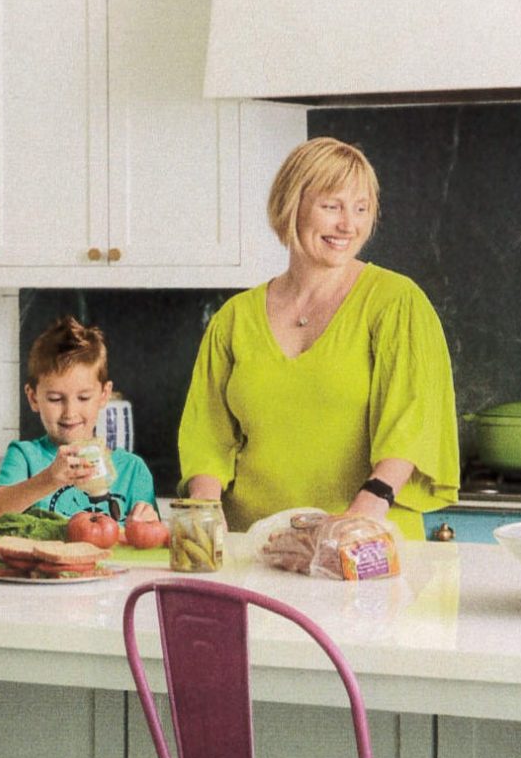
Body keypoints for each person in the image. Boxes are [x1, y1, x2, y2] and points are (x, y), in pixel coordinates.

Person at [177, 138, 459, 537]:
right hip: (255, 543)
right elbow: (207, 434)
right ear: (291, 205)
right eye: (332, 206)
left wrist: (360, 515)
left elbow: (413, 424)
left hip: (365, 543)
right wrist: (205, 514)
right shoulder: (234, 318)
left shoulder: (396, 302)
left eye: (361, 208)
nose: (348, 225)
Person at [0, 315, 157, 523]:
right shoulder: (25, 456)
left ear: (104, 394)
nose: (70, 412)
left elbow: (153, 533)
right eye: (55, 399)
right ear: (33, 398)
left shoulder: (133, 470)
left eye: (83, 398)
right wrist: (49, 479)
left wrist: (148, 524)